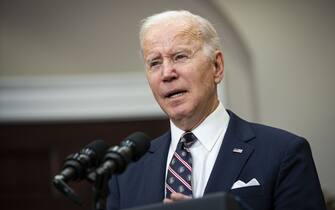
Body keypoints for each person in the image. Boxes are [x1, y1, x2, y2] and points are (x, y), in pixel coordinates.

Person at [107, 10, 326, 210]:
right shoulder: (125, 172)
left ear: (217, 67)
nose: (167, 73)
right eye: (155, 63)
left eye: (180, 56)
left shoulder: (283, 152)